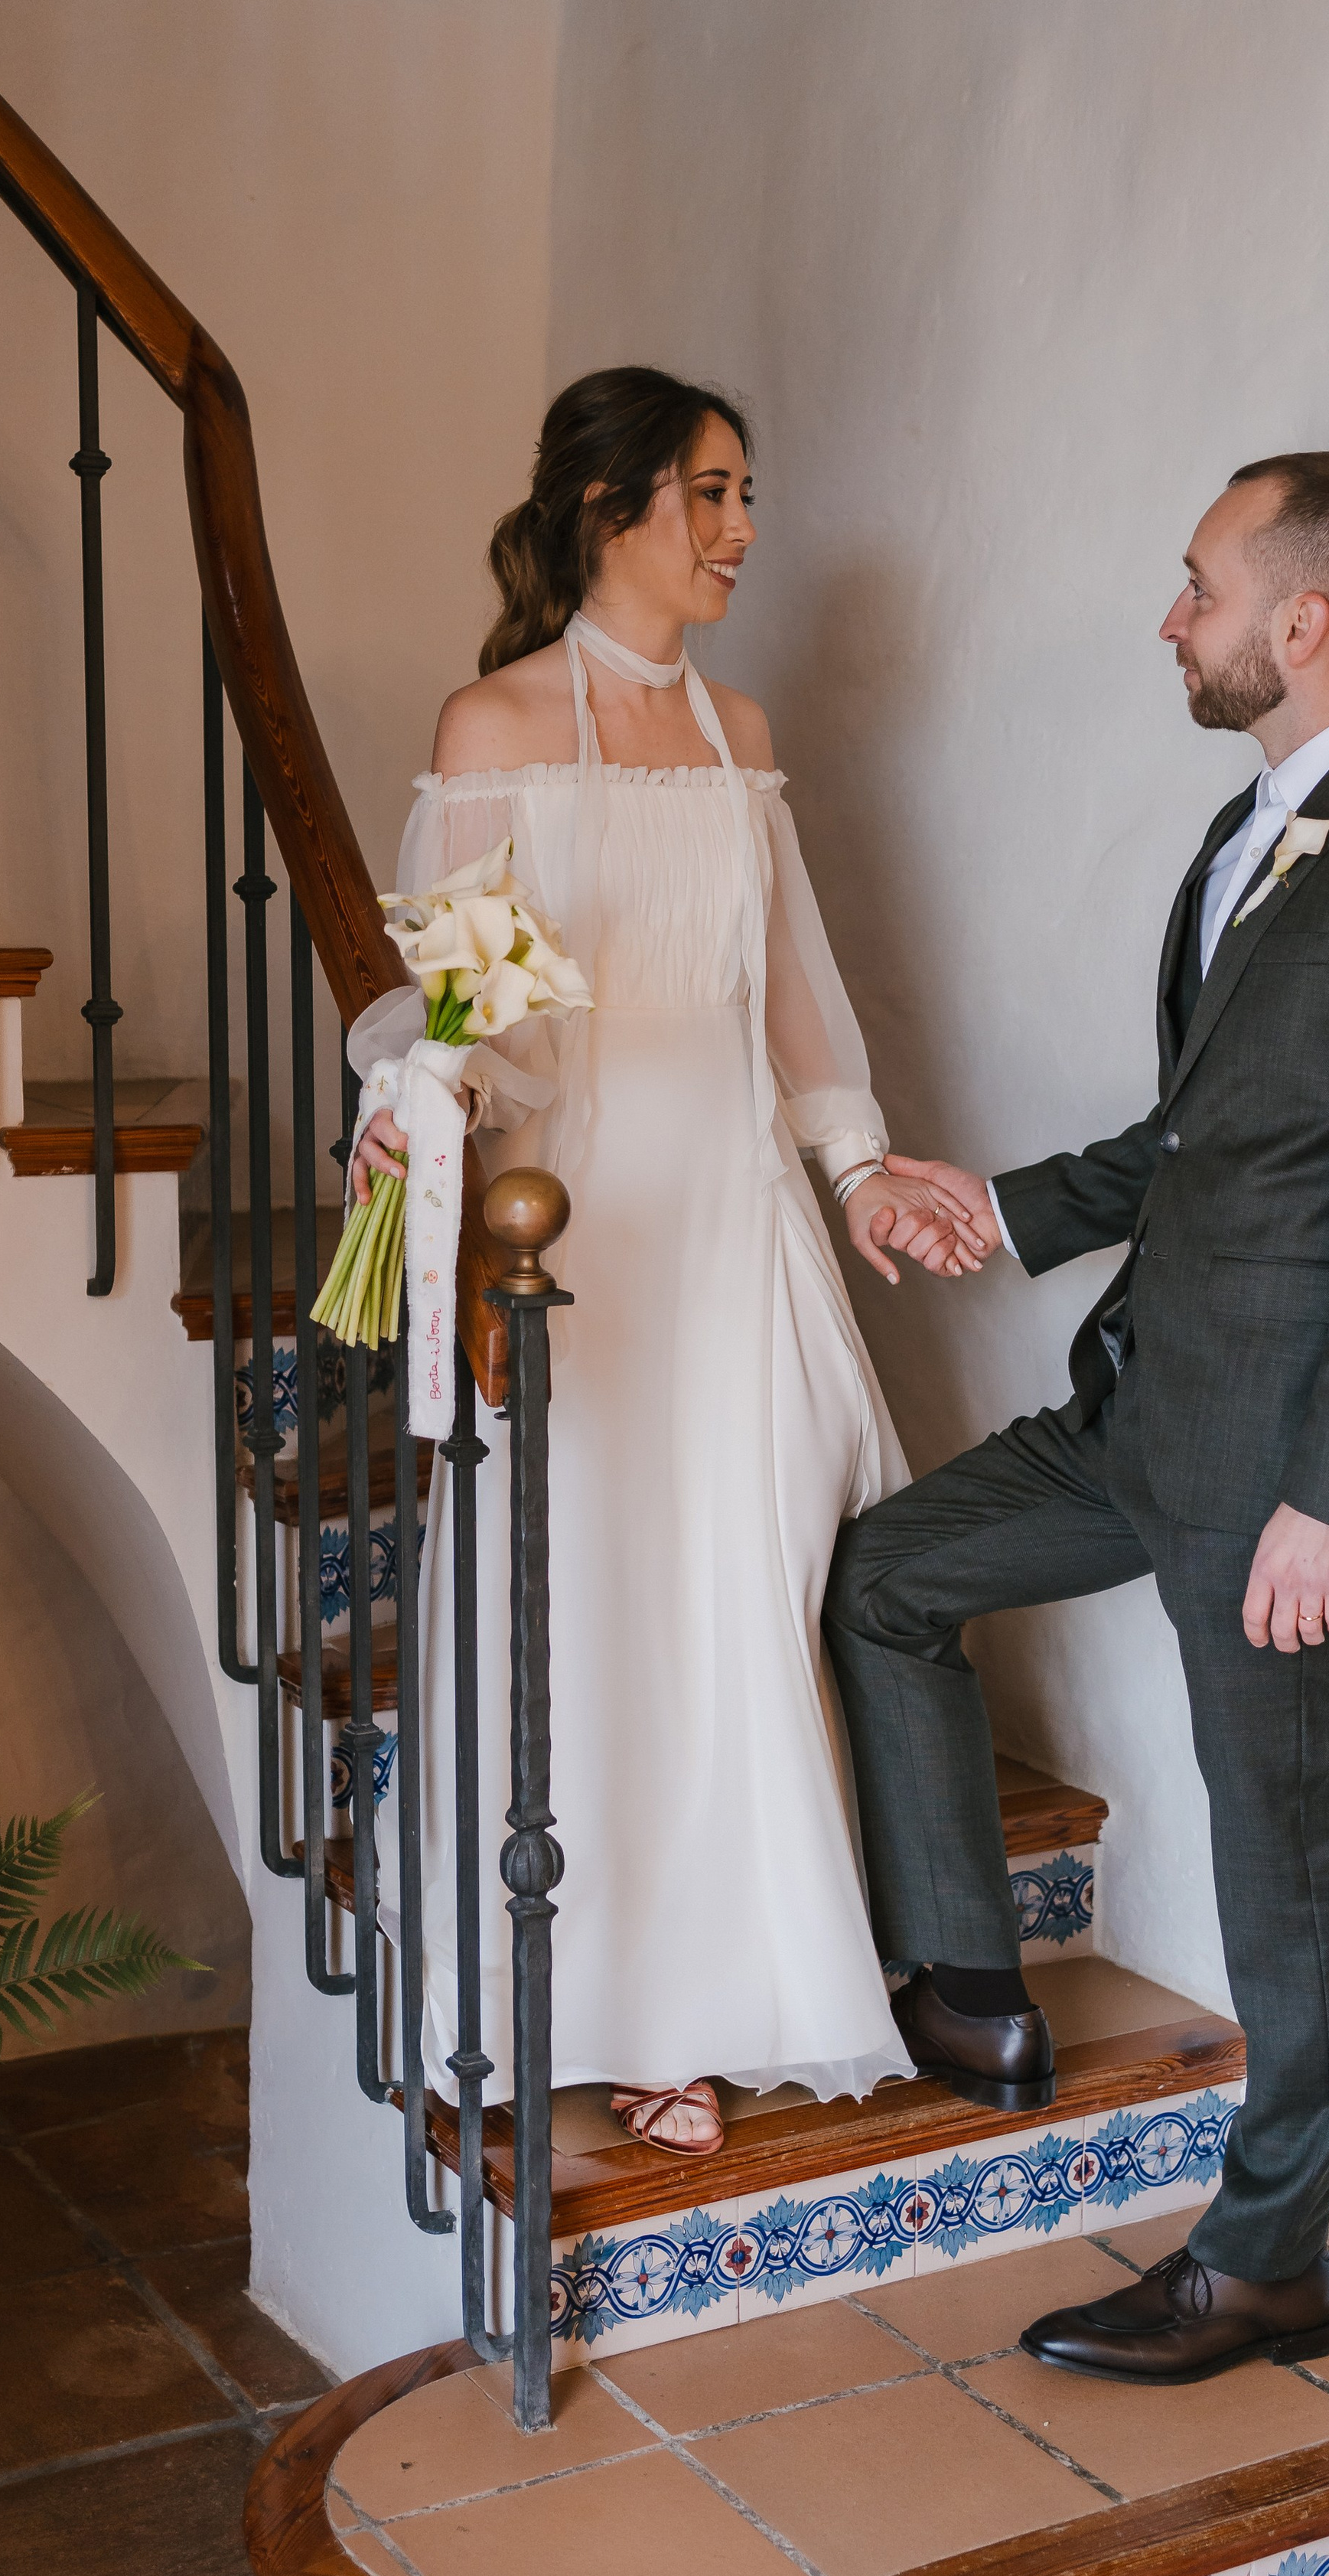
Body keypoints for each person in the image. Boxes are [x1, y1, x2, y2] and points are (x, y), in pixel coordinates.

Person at [824, 452, 1329, 2375]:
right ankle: (969, 1982)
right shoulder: (1253, 832)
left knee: (1284, 1861)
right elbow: (1197, 1141)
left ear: (1298, 622)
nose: (1171, 617)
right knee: (890, 1573)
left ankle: (1262, 2259)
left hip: (1277, 1482)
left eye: (1196, 584)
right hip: (1138, 1413)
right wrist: (984, 1210)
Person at [353, 366, 979, 2156]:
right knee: (588, 1595)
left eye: (744, 494)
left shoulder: (735, 728)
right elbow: (471, 1001)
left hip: (735, 1223)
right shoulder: (488, 729)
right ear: (610, 505)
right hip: (582, 1222)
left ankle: (714, 1995)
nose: (741, 530)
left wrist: (855, 1176)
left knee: (744, 1579)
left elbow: (789, 994)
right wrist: (418, 1111)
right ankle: (580, 1990)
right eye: (710, 494)